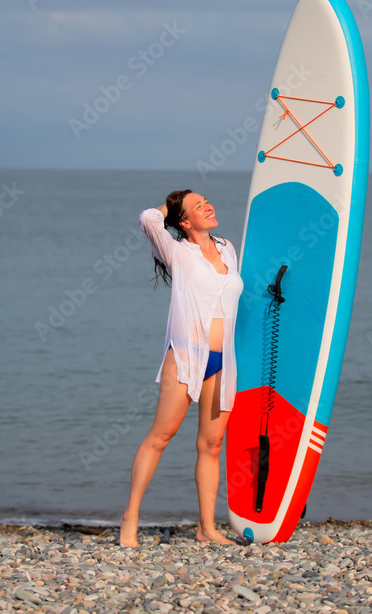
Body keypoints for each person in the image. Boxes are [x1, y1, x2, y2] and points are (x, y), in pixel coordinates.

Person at [119, 190, 244, 546]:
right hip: (187, 358)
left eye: (207, 200)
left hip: (222, 362)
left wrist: (187, 205)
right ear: (185, 222)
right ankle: (130, 518)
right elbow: (147, 218)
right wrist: (172, 206)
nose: (209, 205)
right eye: (198, 205)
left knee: (212, 445)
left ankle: (206, 528)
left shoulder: (227, 248)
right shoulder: (177, 252)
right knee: (161, 436)